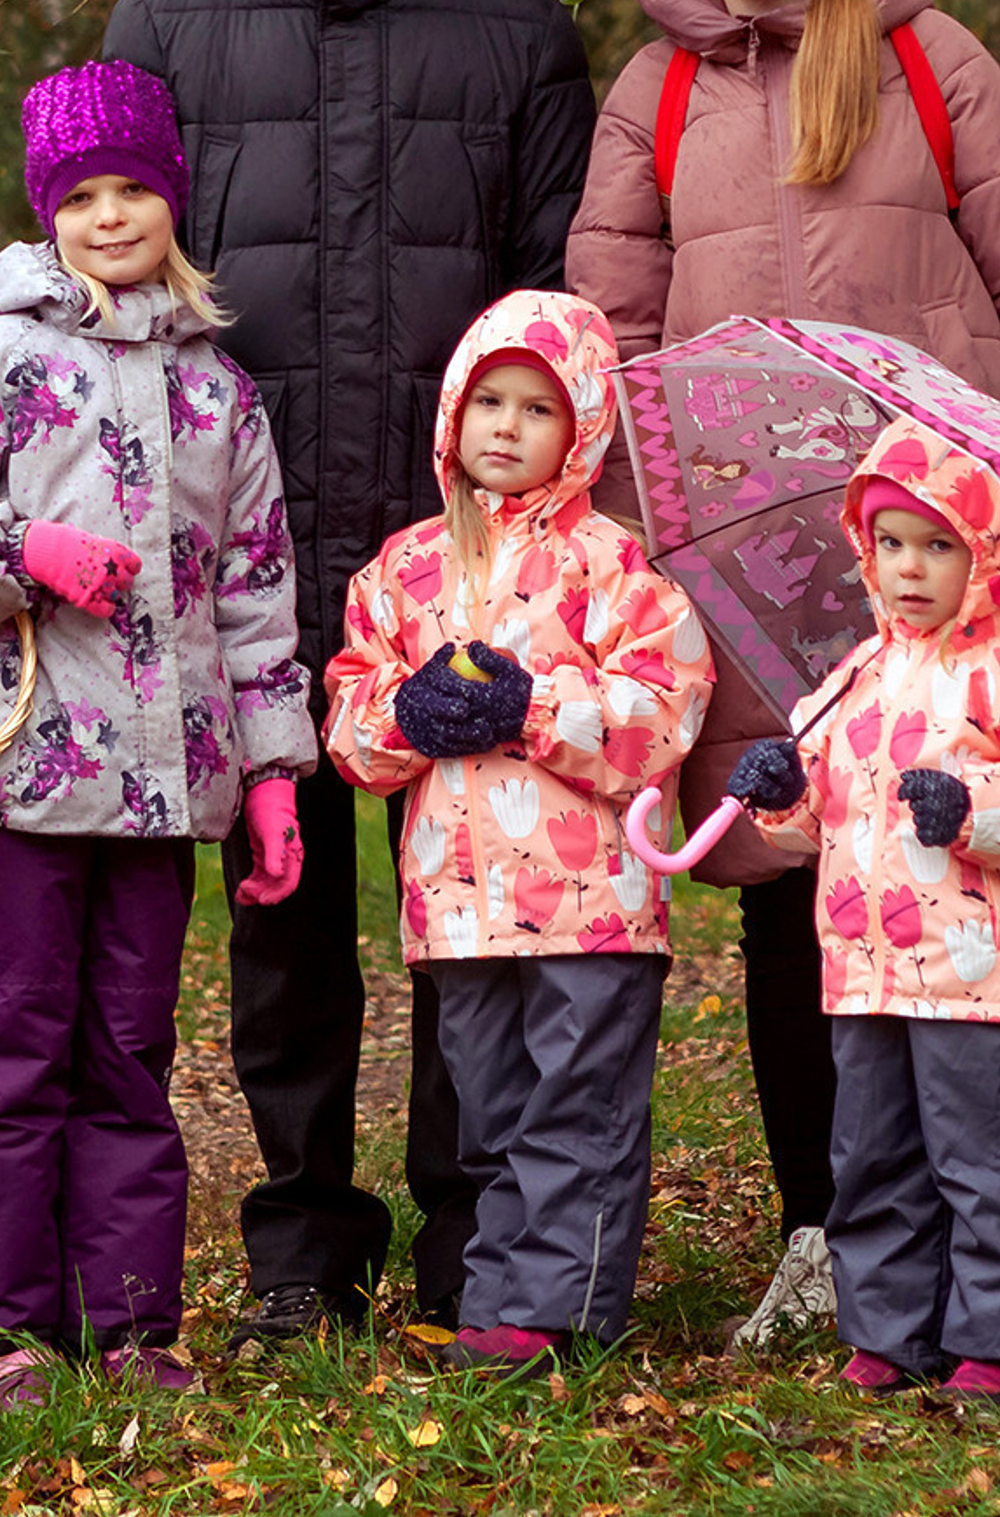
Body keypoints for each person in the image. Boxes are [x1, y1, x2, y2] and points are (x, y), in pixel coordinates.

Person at [565, 0, 1000, 1339]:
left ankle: (982, 1226)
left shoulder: (933, 66)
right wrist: (621, 555)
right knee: (790, 875)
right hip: (741, 574)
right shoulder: (652, 96)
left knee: (964, 876)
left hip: (940, 565)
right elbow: (603, 336)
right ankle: (826, 1234)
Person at [103, 0, 597, 1346]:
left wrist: (520, 549)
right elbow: (120, 288)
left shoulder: (522, 37)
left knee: (482, 918)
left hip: (461, 573)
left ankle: (478, 1247)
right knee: (284, 937)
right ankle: (304, 1251)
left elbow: (558, 318)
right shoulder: (168, 30)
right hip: (245, 579)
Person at [0, 59, 312, 1408]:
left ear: (173, 199)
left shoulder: (220, 394)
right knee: (14, 1039)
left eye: (136, 189)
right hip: (19, 775)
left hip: (169, 788)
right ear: (50, 209)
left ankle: (125, 1322)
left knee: (130, 1050)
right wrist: (18, 548)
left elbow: (255, 590)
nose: (113, 216)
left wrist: (275, 775)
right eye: (85, 193)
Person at [323, 290, 713, 1369]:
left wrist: (533, 710)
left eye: (536, 409)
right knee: (491, 1116)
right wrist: (404, 715)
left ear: (581, 426)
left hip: (593, 907)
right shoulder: (403, 570)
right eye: (487, 400)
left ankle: (558, 1313)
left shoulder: (613, 568)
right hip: (457, 906)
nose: (505, 425)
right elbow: (351, 724)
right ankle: (496, 1299)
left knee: (575, 1109)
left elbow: (665, 712)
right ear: (453, 413)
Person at [728, 416, 1000, 1401]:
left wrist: (976, 807)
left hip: (993, 978)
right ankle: (892, 1329)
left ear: (986, 551)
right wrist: (779, 787)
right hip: (868, 973)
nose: (909, 568)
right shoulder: (856, 680)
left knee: (984, 1156)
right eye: (890, 543)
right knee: (872, 1155)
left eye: (938, 544)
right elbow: (812, 820)